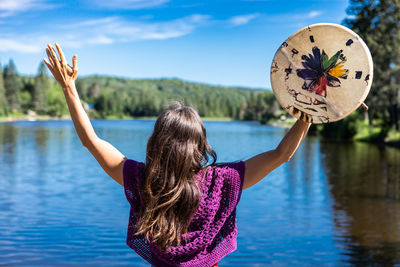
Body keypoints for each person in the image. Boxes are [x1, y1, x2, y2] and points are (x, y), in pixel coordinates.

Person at [43, 43, 311, 267]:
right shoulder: (222, 181)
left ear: (158, 142)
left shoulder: (144, 180)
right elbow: (280, 155)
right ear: (200, 145)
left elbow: (91, 141)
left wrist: (69, 87)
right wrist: (310, 115)